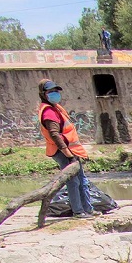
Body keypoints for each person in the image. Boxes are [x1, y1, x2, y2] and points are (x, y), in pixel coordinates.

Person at [36, 79, 96, 218]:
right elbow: (55, 135)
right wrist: (68, 154)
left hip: (70, 151)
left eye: (56, 91)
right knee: (73, 181)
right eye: (51, 92)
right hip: (63, 152)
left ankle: (88, 209)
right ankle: (79, 211)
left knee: (82, 180)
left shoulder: (54, 108)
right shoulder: (49, 112)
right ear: (44, 94)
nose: (55, 94)